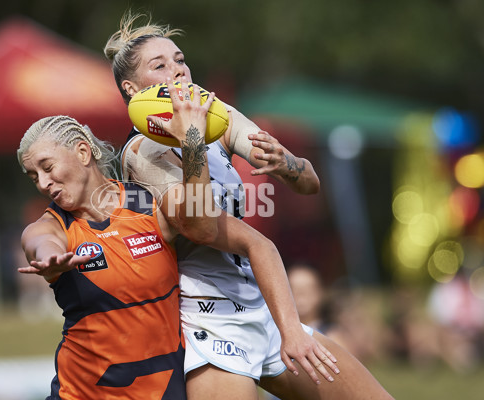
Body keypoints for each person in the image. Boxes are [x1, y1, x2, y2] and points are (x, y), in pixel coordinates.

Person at [104, 11, 394, 400]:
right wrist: (191, 135)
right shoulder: (140, 152)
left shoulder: (216, 118)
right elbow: (203, 224)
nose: (178, 71)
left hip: (263, 307)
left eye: (180, 59)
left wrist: (285, 165)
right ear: (131, 88)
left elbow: (310, 182)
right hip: (209, 322)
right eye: (160, 65)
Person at [15, 83, 337, 399]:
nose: (43, 183)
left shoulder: (145, 202)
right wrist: (51, 258)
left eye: (47, 167)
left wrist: (193, 140)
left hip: (163, 391)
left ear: (83, 152)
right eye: (33, 177)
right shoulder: (52, 226)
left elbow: (236, 234)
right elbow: (40, 242)